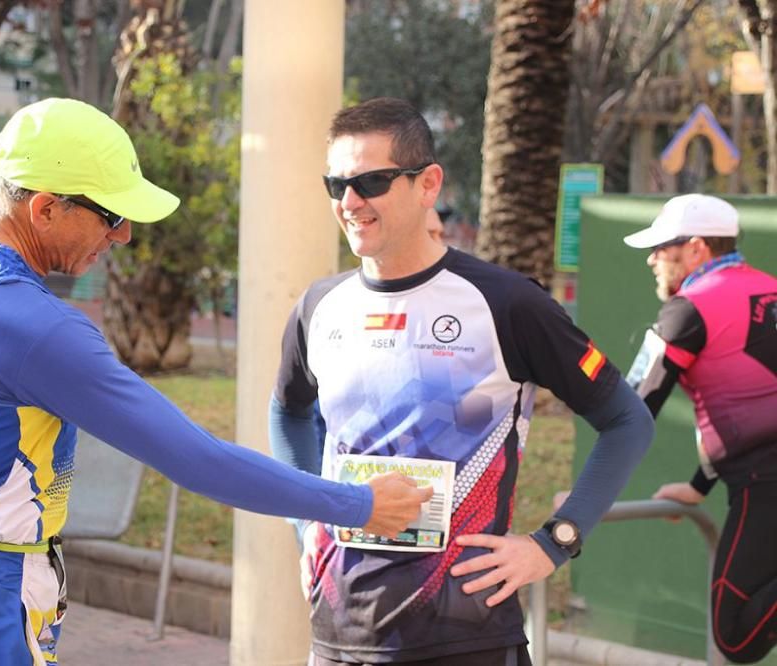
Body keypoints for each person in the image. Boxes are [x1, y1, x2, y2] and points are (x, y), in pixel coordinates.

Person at [0, 98, 432, 666]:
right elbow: (196, 460)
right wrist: (358, 504)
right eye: (111, 215)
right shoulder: (26, 325)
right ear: (44, 209)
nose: (125, 234)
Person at [269, 97, 654, 665]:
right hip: (339, 630)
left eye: (371, 181)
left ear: (428, 184)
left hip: (465, 631)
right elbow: (289, 414)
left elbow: (627, 421)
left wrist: (556, 542)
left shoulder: (505, 302)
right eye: (336, 184)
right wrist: (306, 525)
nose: (350, 203)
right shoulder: (319, 305)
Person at [622, 193, 777, 664]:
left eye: (661, 248)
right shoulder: (769, 286)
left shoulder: (688, 309)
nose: (651, 259)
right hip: (755, 476)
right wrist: (697, 485)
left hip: (764, 480)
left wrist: (582, 504)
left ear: (695, 249)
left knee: (735, 635)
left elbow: (632, 412)